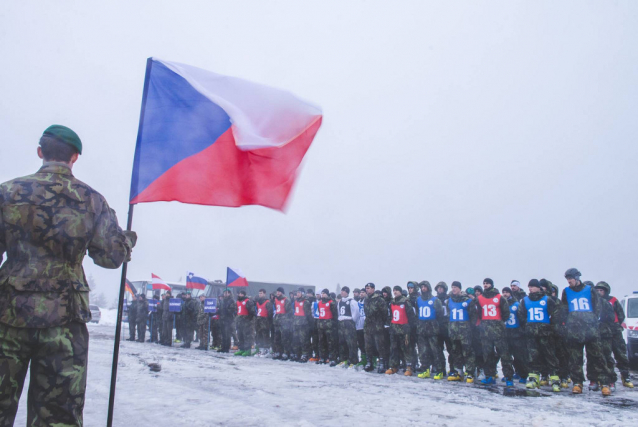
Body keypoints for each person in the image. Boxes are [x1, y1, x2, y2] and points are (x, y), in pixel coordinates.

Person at [0, 125, 136, 426]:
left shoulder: (7, 193)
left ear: (40, 152)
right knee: (58, 415)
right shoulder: (92, 200)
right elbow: (110, 257)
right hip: (64, 321)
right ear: (75, 157)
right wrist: (125, 239)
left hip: (7, 316)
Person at [561, 268, 612, 396]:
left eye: (570, 278)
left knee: (597, 356)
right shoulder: (566, 292)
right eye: (567, 279)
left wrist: (590, 321)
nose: (569, 281)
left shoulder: (590, 290)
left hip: (590, 330)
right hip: (574, 331)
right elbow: (564, 309)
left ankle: (604, 383)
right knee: (575, 358)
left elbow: (597, 308)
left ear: (577, 278)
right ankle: (577, 383)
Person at [518, 279, 561, 392]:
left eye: (533, 286)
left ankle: (555, 379)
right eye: (529, 287)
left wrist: (551, 328)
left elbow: (556, 314)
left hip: (545, 333)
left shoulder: (547, 299)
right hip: (531, 333)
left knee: (550, 356)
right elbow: (521, 315)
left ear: (538, 288)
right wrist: (526, 326)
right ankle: (533, 378)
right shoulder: (525, 300)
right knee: (533, 356)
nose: (531, 289)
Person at [593, 282, 634, 389]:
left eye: (601, 290)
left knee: (620, 354)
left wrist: (616, 325)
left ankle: (625, 376)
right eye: (597, 290)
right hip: (603, 333)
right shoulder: (595, 302)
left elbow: (621, 315)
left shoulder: (613, 300)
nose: (599, 292)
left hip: (615, 332)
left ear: (606, 291)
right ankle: (609, 378)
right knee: (606, 355)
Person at [476, 278, 514, 386]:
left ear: (491, 285)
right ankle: (490, 376)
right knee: (488, 354)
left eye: (487, 283)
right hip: (485, 331)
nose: (485, 285)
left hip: (498, 331)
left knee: (504, 354)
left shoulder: (499, 298)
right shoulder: (480, 298)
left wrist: (498, 323)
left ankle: (508, 377)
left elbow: (506, 313)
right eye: (484, 283)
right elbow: (478, 312)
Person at [447, 281, 477, 383]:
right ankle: (458, 371)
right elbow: (447, 315)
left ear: (460, 288)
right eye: (452, 287)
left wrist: (470, 328)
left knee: (468, 352)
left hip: (465, 331)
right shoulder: (449, 301)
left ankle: (469, 372)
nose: (454, 289)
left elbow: (473, 316)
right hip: (453, 331)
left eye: (455, 287)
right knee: (455, 352)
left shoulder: (467, 301)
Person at [415, 281, 445, 380]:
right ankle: (425, 369)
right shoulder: (418, 300)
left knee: (435, 351)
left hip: (432, 329)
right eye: (422, 287)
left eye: (425, 287)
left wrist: (436, 326)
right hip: (421, 329)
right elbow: (417, 312)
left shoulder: (435, 300)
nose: (423, 288)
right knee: (423, 351)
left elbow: (440, 314)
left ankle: (439, 370)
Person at [501, 286, 528, 383]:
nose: (505, 294)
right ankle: (509, 374)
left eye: (507, 292)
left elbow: (522, 317)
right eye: (503, 292)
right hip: (506, 332)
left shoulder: (517, 304)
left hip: (516, 333)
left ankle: (523, 375)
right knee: (506, 356)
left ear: (510, 293)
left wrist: (521, 330)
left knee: (519, 356)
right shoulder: (502, 304)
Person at [337, 286, 360, 368]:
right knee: (342, 342)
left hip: (348, 322)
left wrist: (352, 321)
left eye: (344, 291)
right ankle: (344, 359)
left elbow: (356, 312)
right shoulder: (340, 302)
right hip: (341, 322)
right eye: (341, 291)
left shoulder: (352, 301)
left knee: (351, 343)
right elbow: (338, 312)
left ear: (347, 292)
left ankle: (353, 361)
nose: (342, 292)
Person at [316, 288, 339, 366]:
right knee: (321, 342)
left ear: (327, 294)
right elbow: (319, 312)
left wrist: (333, 324)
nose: (323, 295)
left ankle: (333, 358)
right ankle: (323, 357)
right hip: (321, 325)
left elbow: (335, 314)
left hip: (329, 325)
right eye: (322, 293)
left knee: (331, 342)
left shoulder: (331, 302)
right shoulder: (319, 303)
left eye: (324, 293)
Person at [435, 282, 452, 375]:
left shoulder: (449, 299)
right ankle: (441, 369)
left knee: (451, 349)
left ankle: (452, 368)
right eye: (438, 288)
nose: (440, 290)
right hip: (438, 327)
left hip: (447, 327)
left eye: (441, 288)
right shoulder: (435, 299)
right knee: (438, 350)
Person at [292, 287, 313, 362]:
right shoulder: (295, 301)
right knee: (296, 339)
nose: (297, 294)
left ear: (302, 293)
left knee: (304, 339)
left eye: (299, 292)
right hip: (296, 323)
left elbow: (308, 314)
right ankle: (297, 353)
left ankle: (305, 354)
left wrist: (310, 323)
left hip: (303, 324)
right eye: (297, 293)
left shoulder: (305, 302)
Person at [273, 287, 293, 360]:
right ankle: (278, 352)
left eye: (279, 292)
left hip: (284, 322)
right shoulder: (275, 300)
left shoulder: (286, 300)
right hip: (277, 321)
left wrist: (285, 319)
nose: (278, 293)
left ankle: (286, 352)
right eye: (277, 291)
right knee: (277, 338)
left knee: (284, 338)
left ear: (282, 292)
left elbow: (289, 312)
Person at [234, 289, 255, 356]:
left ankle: (248, 350)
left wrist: (248, 319)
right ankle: (241, 349)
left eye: (241, 294)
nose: (239, 295)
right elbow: (236, 310)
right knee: (240, 335)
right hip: (239, 321)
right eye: (239, 294)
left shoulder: (247, 301)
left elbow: (252, 312)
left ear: (243, 295)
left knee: (247, 336)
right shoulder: (237, 302)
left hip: (246, 322)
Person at [254, 289, 273, 356]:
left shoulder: (267, 302)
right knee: (259, 335)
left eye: (261, 293)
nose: (260, 294)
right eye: (259, 293)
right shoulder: (258, 302)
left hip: (265, 320)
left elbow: (270, 312)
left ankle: (266, 349)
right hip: (258, 320)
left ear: (264, 294)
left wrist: (268, 320)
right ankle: (261, 349)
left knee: (265, 335)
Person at [353, 288, 367, 369]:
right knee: (361, 344)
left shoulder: (368, 301)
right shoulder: (357, 302)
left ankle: (370, 360)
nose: (361, 294)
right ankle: (363, 359)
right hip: (358, 326)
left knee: (367, 344)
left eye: (363, 292)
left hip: (366, 326)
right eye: (361, 292)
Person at [306, 288, 320, 361]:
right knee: (311, 340)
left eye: (310, 293)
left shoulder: (316, 302)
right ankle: (311, 354)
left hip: (318, 322)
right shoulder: (310, 302)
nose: (308, 295)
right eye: (307, 293)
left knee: (317, 340)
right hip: (310, 322)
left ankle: (318, 355)